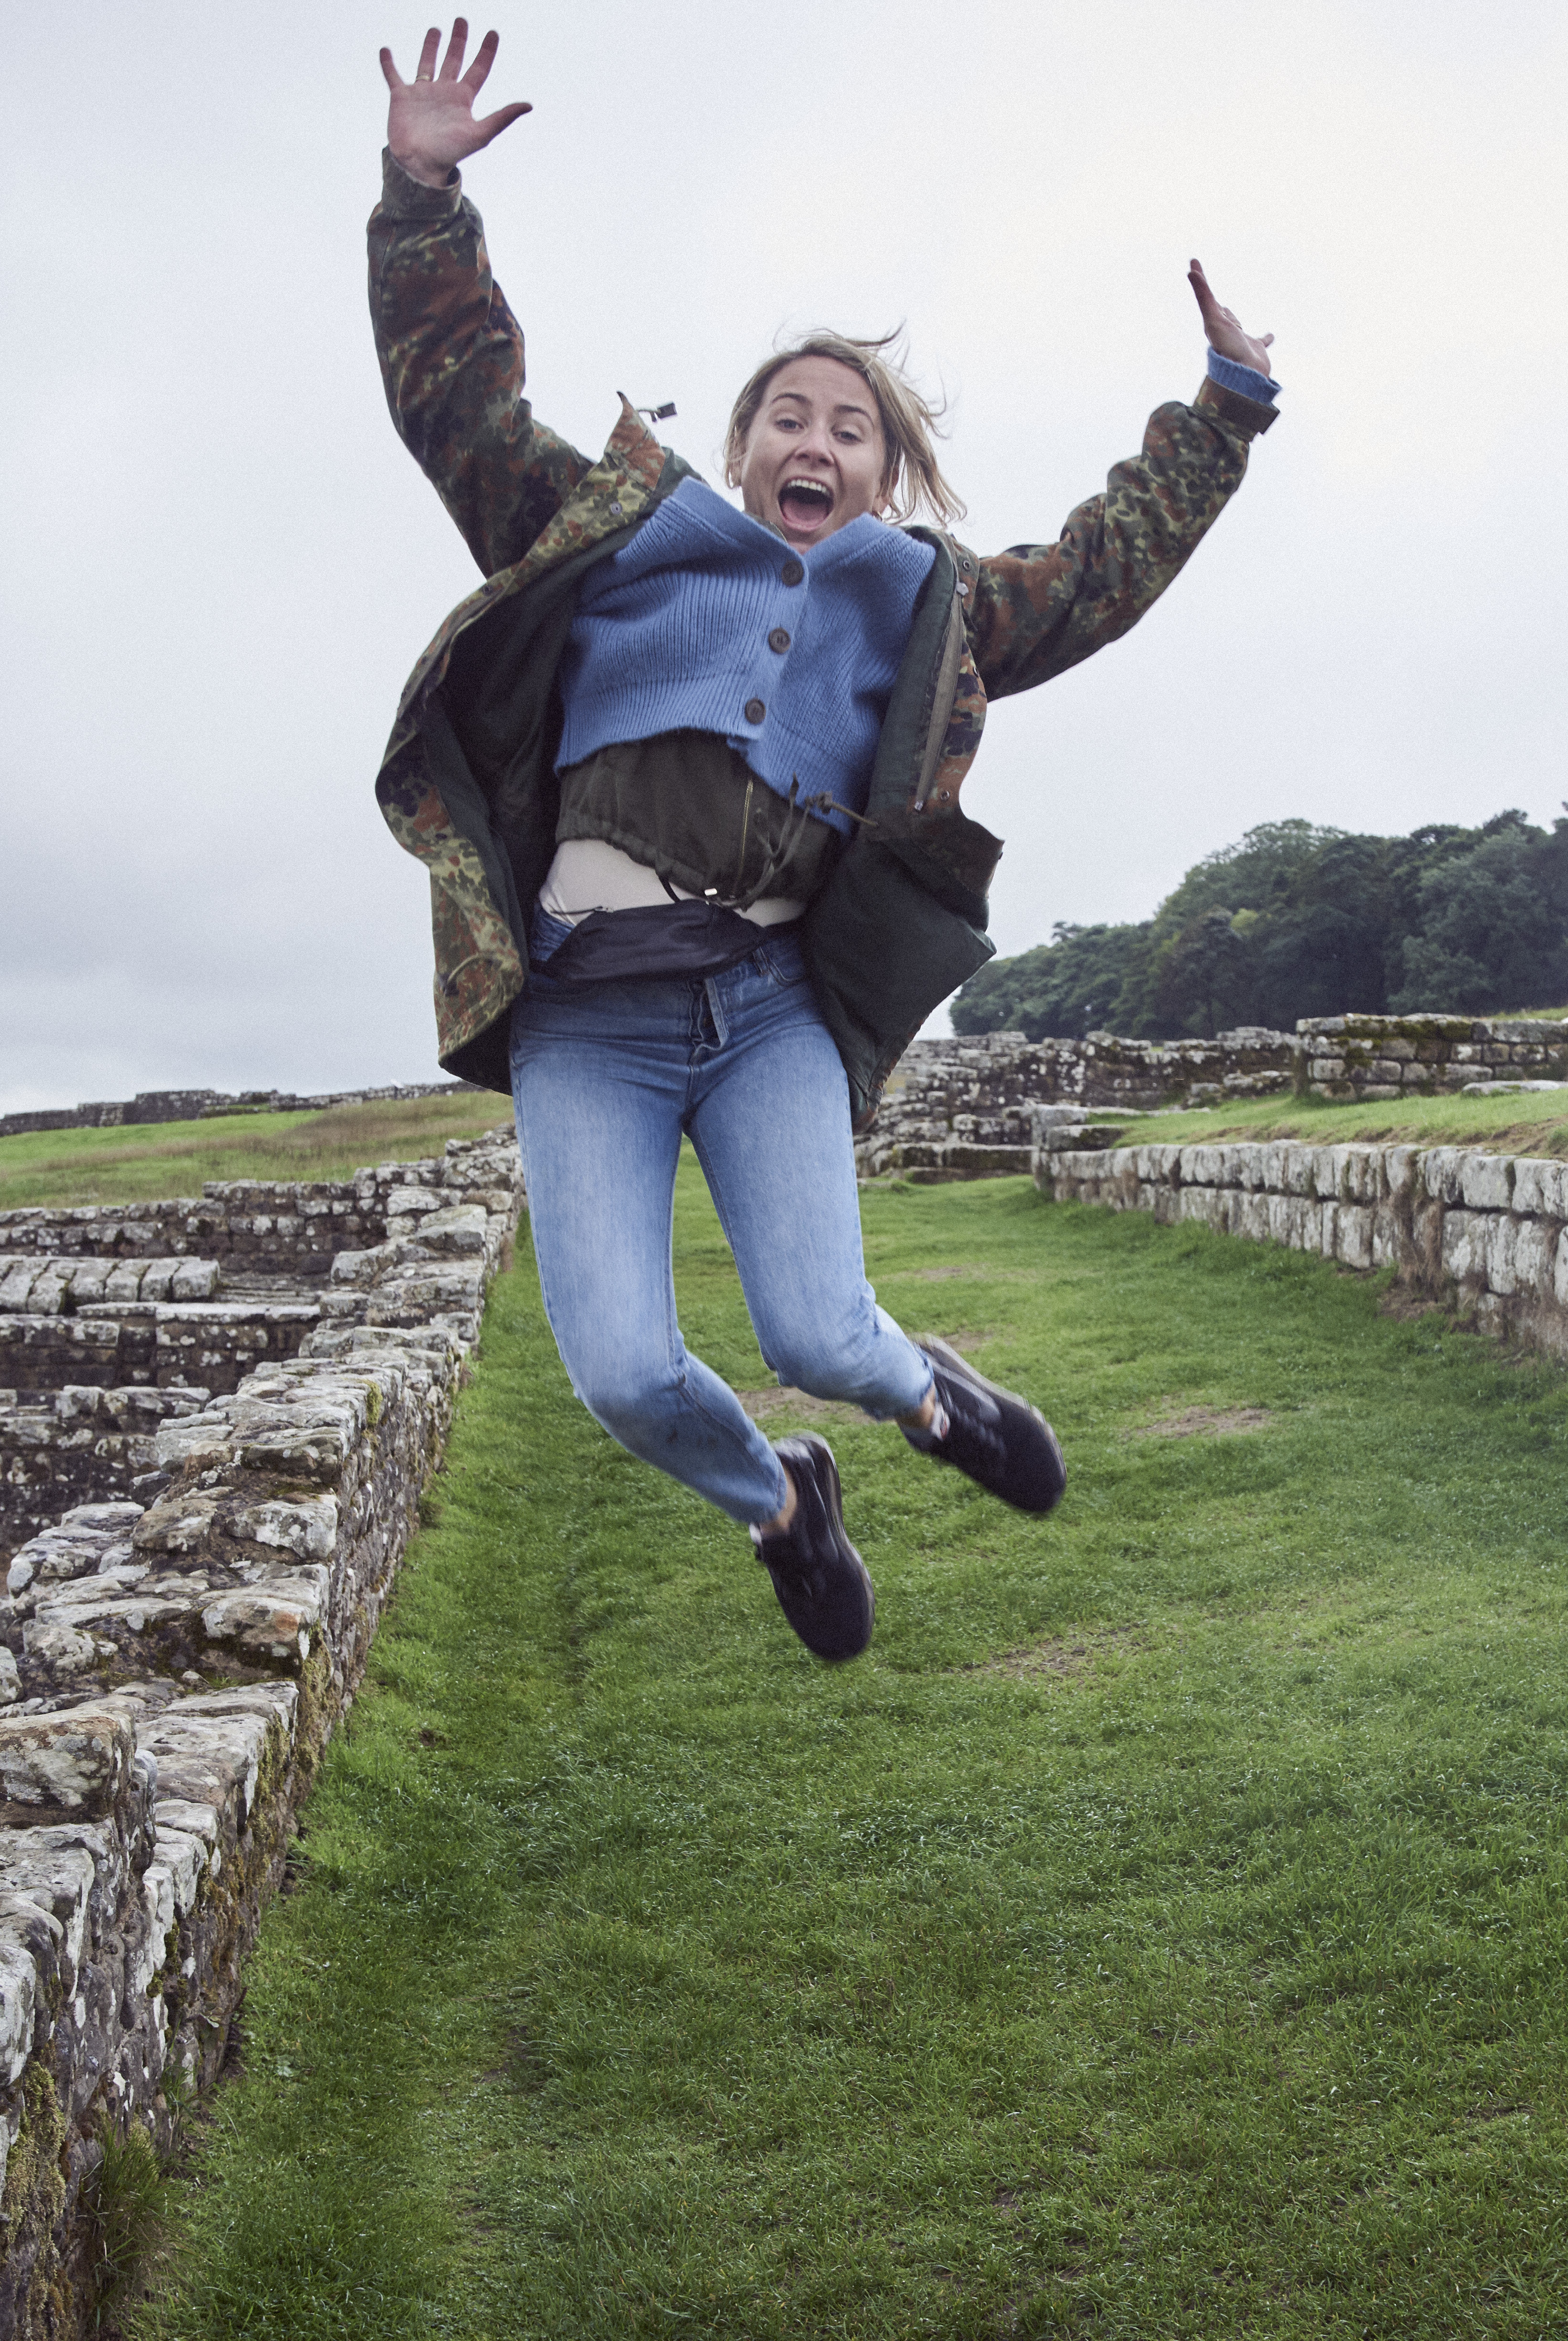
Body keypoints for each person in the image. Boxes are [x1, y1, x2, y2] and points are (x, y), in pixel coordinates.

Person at [366, 20, 1280, 1662]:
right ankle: (786, 1507)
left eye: (850, 428)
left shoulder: (930, 608)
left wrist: (1224, 406)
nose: (814, 441)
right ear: (740, 454)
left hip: (771, 1009)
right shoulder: (622, 539)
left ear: (886, 469)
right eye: (787, 416)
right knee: (625, 1373)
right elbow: (460, 409)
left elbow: (1099, 570)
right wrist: (423, 194)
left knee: (829, 1332)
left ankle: (930, 1403)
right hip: (590, 1015)